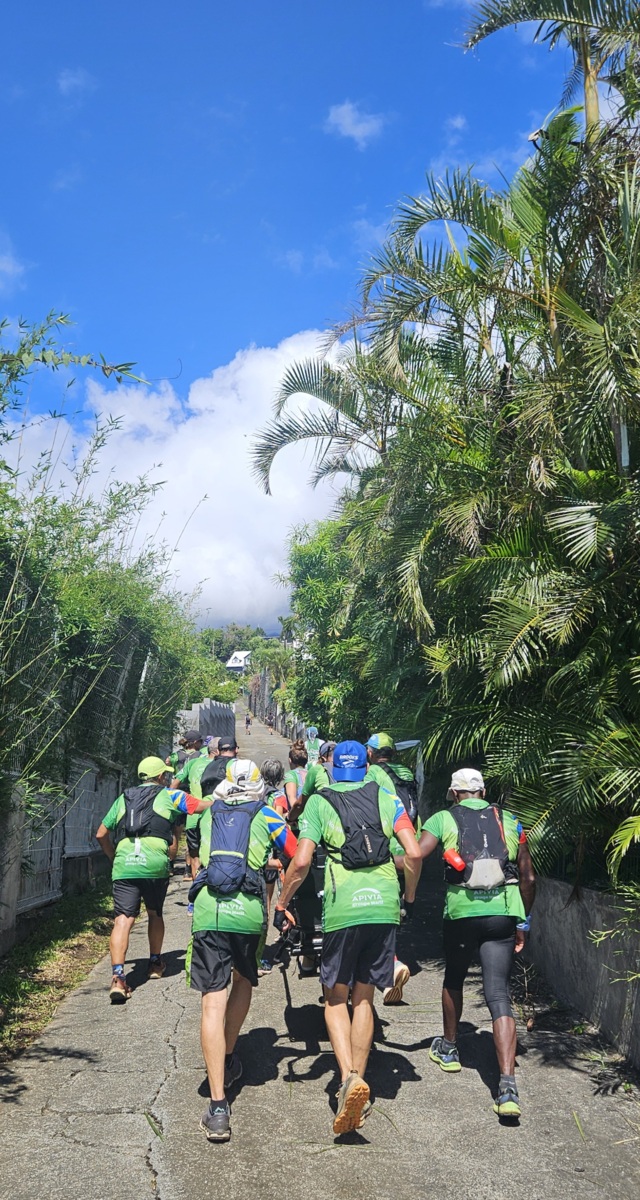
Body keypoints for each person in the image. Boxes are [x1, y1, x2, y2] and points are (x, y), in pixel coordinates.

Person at [275, 740, 422, 1135]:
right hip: (384, 904)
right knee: (365, 998)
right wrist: (408, 897)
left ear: (333, 769)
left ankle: (348, 1079)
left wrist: (282, 902)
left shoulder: (320, 802)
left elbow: (302, 861)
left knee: (335, 998)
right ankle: (360, 1078)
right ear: (367, 768)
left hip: (344, 907)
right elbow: (413, 853)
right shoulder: (387, 798)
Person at [187, 758, 298, 1142]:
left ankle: (218, 1107)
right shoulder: (267, 814)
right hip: (249, 913)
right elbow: (296, 853)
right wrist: (283, 898)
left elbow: (195, 847)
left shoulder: (209, 813)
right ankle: (229, 1056)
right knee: (243, 982)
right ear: (257, 786)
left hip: (209, 912)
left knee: (211, 1002)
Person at [418, 768, 536, 1119]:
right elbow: (528, 877)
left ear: (455, 794)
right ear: (483, 792)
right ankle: (508, 1087)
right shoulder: (510, 820)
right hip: (503, 913)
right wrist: (522, 921)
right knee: (498, 994)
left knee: (454, 978)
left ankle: (449, 1049)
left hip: (461, 913)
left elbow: (416, 854)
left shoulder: (443, 819)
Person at [96, 756, 212, 1003]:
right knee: (154, 912)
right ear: (160, 777)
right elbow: (202, 806)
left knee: (122, 920)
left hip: (125, 864)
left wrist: (114, 857)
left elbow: (101, 833)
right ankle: (155, 963)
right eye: (166, 775)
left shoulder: (124, 798)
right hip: (154, 864)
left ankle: (118, 977)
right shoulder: (171, 796)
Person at [366, 732, 421, 1005]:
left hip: (386, 847)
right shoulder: (406, 773)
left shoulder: (372, 774)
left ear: (371, 752)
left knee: (375, 910)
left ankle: (390, 966)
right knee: (393, 909)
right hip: (409, 843)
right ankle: (389, 966)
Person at [174, 736, 219, 880]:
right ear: (219, 751)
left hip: (193, 815)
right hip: (215, 816)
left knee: (195, 856)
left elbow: (174, 784)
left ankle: (196, 888)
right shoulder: (224, 765)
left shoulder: (193, 763)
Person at [283, 739, 308, 822]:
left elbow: (293, 800)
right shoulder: (311, 774)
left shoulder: (291, 775)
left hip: (298, 821)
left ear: (290, 760)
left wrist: (289, 818)